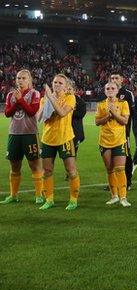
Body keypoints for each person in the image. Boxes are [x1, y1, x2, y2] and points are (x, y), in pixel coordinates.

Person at [36, 74, 80, 210]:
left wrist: (51, 97)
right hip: (48, 139)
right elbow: (39, 118)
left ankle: (73, 199)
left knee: (71, 170)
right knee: (47, 171)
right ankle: (49, 200)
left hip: (65, 138)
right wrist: (47, 100)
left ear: (66, 87)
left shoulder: (70, 98)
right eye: (55, 82)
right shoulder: (45, 99)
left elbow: (61, 113)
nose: (56, 84)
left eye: (60, 83)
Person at [1, 69, 44, 204]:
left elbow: (32, 112)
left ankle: (39, 195)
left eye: (23, 78)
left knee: (34, 165)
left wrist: (20, 100)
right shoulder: (10, 95)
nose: (20, 80)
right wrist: (17, 102)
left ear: (29, 80)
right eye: (18, 78)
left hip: (30, 134)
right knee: (14, 166)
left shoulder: (34, 94)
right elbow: (7, 113)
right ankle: (13, 195)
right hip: (14, 134)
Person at [95, 82, 131, 207]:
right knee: (110, 169)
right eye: (107, 88)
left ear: (117, 90)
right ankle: (114, 196)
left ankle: (123, 197)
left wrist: (114, 114)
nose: (110, 90)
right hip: (105, 140)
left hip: (119, 140)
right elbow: (97, 122)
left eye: (112, 88)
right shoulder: (101, 104)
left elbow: (124, 121)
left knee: (120, 169)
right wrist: (108, 116)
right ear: (105, 91)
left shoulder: (123, 103)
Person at [110, 73, 136, 189]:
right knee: (111, 156)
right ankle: (113, 182)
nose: (114, 80)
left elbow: (133, 113)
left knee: (126, 155)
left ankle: (128, 181)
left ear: (122, 80)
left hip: (124, 132)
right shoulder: (108, 93)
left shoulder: (127, 94)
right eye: (112, 78)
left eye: (116, 78)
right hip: (109, 133)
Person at [70, 80, 86, 155]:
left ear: (74, 90)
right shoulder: (61, 100)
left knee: (72, 154)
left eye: (70, 89)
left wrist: (68, 111)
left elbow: (81, 114)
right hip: (62, 132)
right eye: (66, 89)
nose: (68, 91)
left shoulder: (80, 102)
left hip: (75, 132)